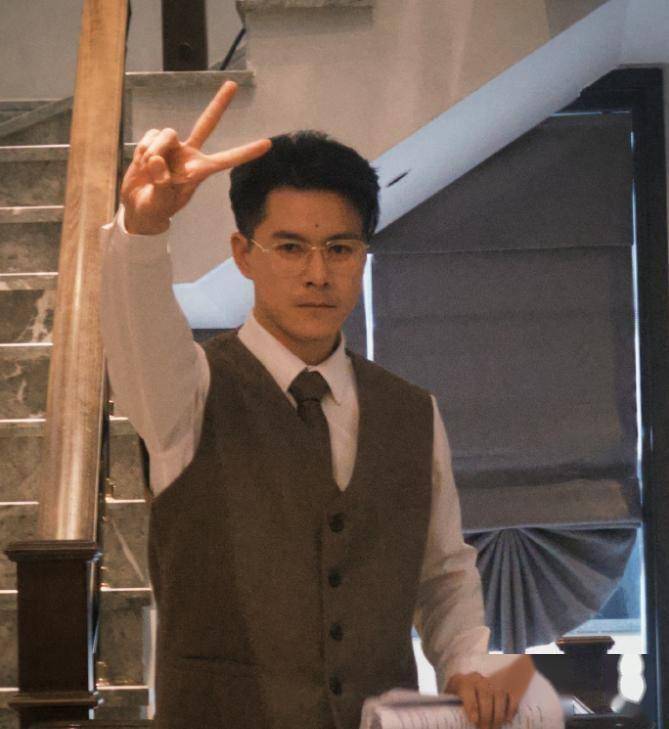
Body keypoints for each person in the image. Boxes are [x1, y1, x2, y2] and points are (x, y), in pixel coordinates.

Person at [101, 81, 535, 729]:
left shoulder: (412, 412)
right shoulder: (187, 393)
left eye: (339, 248)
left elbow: (442, 571)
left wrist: (466, 663)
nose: (317, 273)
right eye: (289, 247)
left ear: (362, 257)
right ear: (243, 255)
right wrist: (141, 228)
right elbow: (137, 332)